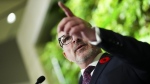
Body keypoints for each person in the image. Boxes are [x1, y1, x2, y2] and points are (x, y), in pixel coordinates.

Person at [57, 1, 150, 84]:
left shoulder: (125, 62)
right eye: (66, 39)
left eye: (80, 31)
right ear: (66, 56)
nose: (75, 38)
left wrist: (96, 34)